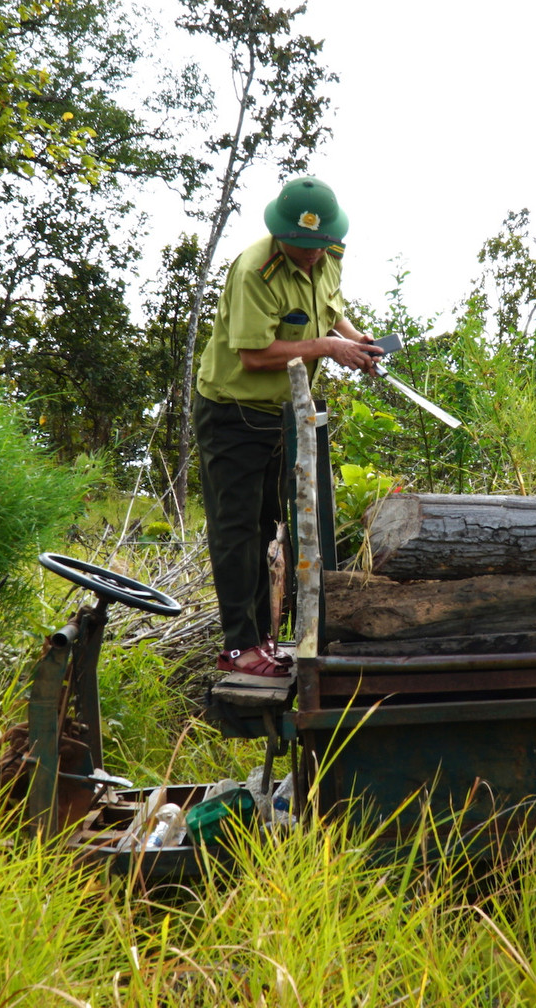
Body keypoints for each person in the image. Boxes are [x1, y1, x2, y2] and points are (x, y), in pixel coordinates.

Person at [195, 175, 380, 678]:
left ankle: (264, 642)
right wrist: (325, 348)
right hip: (232, 412)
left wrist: (353, 339)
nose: (312, 256)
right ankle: (239, 649)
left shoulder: (328, 252)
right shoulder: (256, 270)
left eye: (319, 247)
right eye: (302, 247)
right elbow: (255, 356)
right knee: (236, 530)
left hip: (283, 415)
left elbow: (329, 308)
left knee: (267, 527)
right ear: (281, 235)